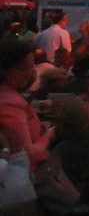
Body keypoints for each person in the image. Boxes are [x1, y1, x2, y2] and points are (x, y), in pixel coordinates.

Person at [0, 39, 55, 169]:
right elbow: (27, 154)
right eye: (24, 68)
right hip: (30, 174)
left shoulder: (9, 94)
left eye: (32, 66)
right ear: (4, 70)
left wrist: (39, 125)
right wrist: (48, 136)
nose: (30, 73)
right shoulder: (9, 105)